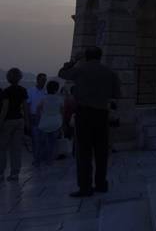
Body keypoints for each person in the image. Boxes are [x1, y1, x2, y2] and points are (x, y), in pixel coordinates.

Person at [58, 46, 121, 197]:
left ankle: (85, 187)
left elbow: (62, 73)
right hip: (102, 114)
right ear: (100, 56)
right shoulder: (110, 72)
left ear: (86, 57)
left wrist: (74, 61)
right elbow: (116, 94)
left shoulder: (81, 69)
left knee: (84, 152)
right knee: (101, 152)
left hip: (84, 114)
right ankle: (101, 184)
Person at [0, 68, 30, 181]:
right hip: (19, 120)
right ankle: (14, 174)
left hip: (8, 121)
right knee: (16, 149)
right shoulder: (23, 90)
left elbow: (5, 108)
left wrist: (0, 122)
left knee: (2, 148)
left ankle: (1, 172)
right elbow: (25, 107)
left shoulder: (6, 91)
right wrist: (27, 122)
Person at [36, 81, 64, 166]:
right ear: (56, 89)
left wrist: (42, 115)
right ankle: (50, 161)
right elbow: (62, 111)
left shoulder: (44, 99)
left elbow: (38, 109)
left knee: (41, 143)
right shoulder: (60, 99)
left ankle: (38, 161)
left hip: (44, 122)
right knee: (52, 143)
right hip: (56, 123)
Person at [27, 73, 47, 166]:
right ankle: (36, 159)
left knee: (43, 139)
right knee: (35, 140)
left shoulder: (46, 92)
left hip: (44, 118)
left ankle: (42, 158)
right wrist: (27, 118)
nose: (43, 82)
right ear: (37, 80)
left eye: (45, 80)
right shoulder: (30, 91)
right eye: (42, 79)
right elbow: (27, 106)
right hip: (34, 117)